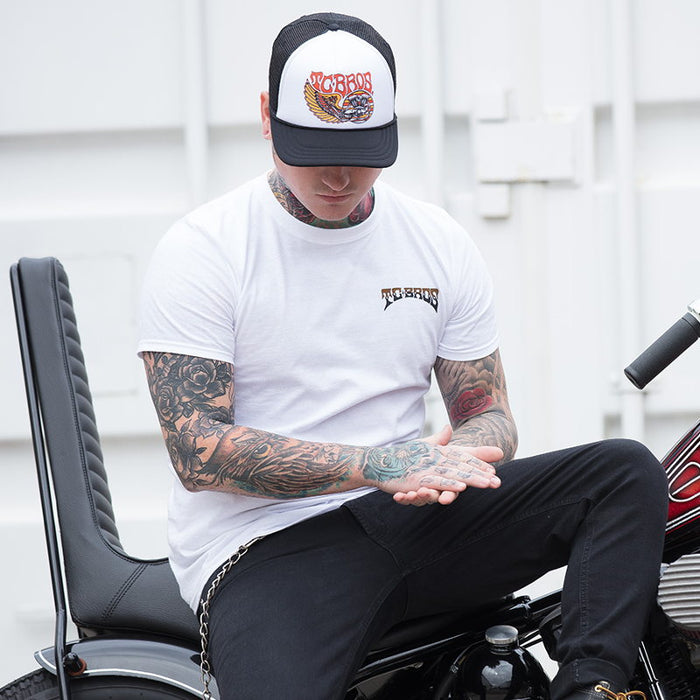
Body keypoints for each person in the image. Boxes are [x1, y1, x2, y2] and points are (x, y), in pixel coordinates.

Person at [138, 12, 667, 700]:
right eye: (314, 146)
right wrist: (381, 463)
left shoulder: (436, 243)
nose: (338, 173)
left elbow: (490, 415)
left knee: (623, 472)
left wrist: (461, 452)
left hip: (413, 519)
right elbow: (197, 452)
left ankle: (592, 688)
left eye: (361, 148)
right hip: (264, 551)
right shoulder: (203, 250)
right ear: (267, 117)